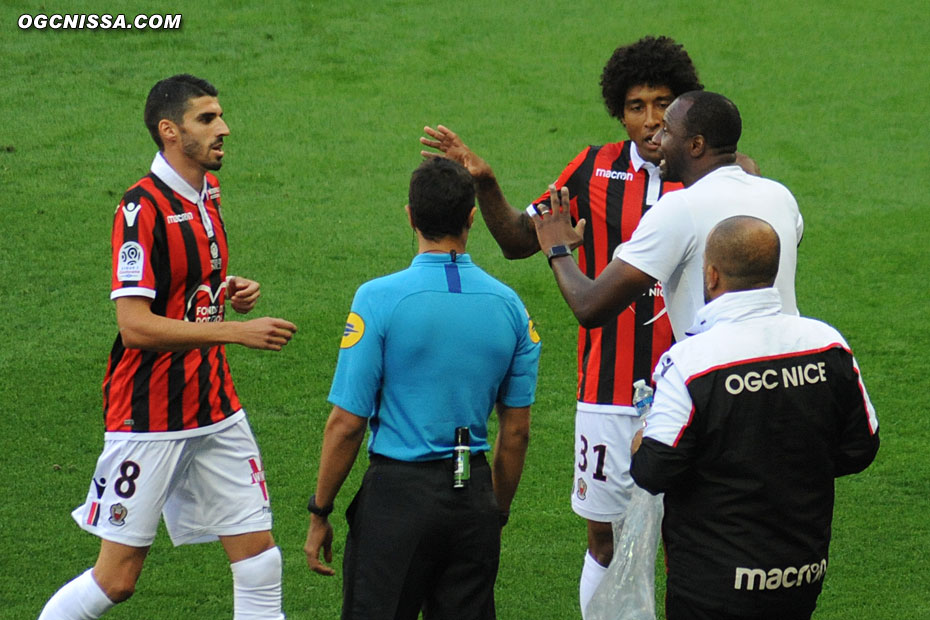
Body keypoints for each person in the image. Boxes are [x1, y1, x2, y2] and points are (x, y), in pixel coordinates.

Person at [421, 36, 723, 615]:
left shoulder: (709, 176)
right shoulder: (594, 168)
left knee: (685, 533)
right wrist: (485, 181)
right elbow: (517, 240)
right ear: (619, 110)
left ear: (684, 106)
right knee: (604, 537)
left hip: (692, 386)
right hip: (607, 392)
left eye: (664, 103)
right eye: (637, 105)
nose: (652, 119)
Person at [39, 74, 297, 620]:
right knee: (118, 579)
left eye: (221, 115)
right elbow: (135, 325)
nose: (224, 128)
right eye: (207, 119)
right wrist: (234, 331)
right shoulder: (140, 209)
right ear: (170, 131)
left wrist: (227, 292)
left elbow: (184, 284)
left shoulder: (208, 192)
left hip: (216, 407)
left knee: (259, 563)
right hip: (149, 415)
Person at [303, 157, 541, 619]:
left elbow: (347, 424)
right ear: (472, 217)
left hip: (397, 501)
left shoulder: (378, 298)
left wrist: (320, 510)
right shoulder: (511, 307)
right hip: (472, 498)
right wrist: (494, 512)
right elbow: (516, 433)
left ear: (410, 215)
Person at [629, 216, 879, 620]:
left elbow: (653, 470)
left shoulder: (691, 362)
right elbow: (860, 449)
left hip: (713, 583)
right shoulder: (828, 343)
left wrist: (641, 441)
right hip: (802, 573)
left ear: (711, 276)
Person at [533, 90, 803, 343]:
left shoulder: (679, 208)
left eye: (668, 131)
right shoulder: (780, 196)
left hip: (720, 379)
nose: (658, 141)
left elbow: (590, 306)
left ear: (696, 145)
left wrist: (558, 248)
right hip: (786, 370)